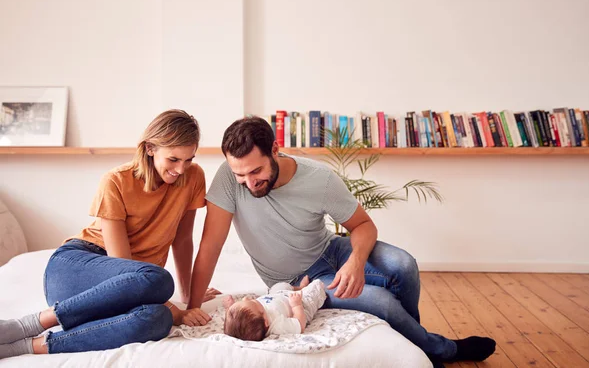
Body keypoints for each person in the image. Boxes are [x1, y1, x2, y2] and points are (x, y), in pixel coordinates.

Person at [188, 116, 496, 365]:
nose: (249, 182)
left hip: (332, 249)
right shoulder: (229, 179)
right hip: (302, 280)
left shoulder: (318, 179)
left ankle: (418, 347)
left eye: (256, 171)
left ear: (275, 150)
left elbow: (363, 225)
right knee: (381, 302)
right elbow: (211, 246)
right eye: (240, 174)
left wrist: (356, 262)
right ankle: (443, 350)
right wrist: (191, 304)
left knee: (405, 264)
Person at [0, 109, 219, 360]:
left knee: (158, 319)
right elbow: (121, 264)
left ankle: (26, 346)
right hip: (77, 269)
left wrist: (188, 298)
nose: (181, 169)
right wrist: (176, 308)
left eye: (188, 159)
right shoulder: (116, 181)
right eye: (173, 160)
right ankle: (25, 325)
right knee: (160, 281)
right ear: (150, 148)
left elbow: (182, 241)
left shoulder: (193, 177)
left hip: (135, 285)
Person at [223, 276, 326, 341]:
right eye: (254, 302)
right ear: (266, 322)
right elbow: (300, 324)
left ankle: (300, 287)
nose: (246, 298)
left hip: (277, 295)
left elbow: (236, 320)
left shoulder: (252, 316)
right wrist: (297, 305)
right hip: (301, 304)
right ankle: (306, 289)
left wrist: (230, 308)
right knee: (317, 288)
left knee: (279, 286)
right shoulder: (277, 325)